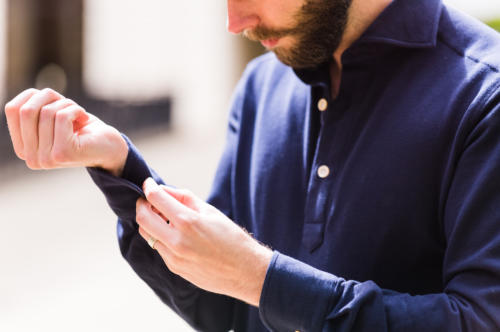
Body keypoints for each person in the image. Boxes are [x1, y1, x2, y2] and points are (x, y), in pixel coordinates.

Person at [4, 0, 500, 330]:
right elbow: (224, 309)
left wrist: (260, 277)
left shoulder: (485, 97)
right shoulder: (262, 87)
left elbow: (480, 321)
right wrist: (119, 168)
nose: (235, 21)